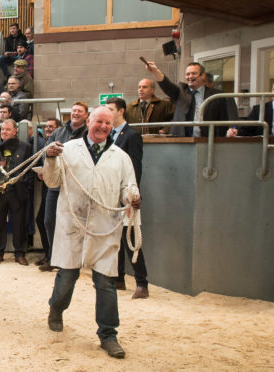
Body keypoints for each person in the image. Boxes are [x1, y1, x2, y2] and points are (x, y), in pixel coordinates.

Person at [43, 106, 141, 359]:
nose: (103, 127)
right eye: (99, 122)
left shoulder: (120, 156)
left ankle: (108, 335)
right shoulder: (68, 149)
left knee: (105, 282)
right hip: (73, 224)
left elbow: (127, 185)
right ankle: (56, 308)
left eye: (108, 123)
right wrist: (50, 159)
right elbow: (52, 182)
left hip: (104, 227)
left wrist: (131, 196)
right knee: (67, 276)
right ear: (89, 122)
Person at [105, 97, 148, 299]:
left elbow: (135, 168)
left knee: (130, 237)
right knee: (115, 238)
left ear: (121, 111)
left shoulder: (131, 136)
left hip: (126, 193)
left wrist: (133, 194)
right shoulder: (107, 135)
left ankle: (142, 283)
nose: (107, 113)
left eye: (110, 109)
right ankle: (118, 278)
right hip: (109, 193)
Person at [43, 101, 89, 274]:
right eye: (74, 110)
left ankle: (76, 260)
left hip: (76, 186)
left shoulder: (87, 134)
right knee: (49, 221)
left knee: (76, 223)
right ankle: (54, 258)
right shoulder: (58, 132)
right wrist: (46, 163)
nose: (75, 113)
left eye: (80, 111)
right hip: (55, 186)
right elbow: (45, 152)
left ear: (86, 115)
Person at [146, 61, 238, 137]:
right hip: (181, 141)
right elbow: (166, 84)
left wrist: (231, 129)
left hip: (207, 142)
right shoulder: (180, 92)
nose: (190, 77)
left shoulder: (216, 96)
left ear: (202, 76)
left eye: (194, 73)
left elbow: (228, 118)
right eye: (187, 74)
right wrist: (155, 70)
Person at [0, 119, 33, 266]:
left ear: (15, 131)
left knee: (19, 224)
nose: (4, 132)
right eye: (2, 129)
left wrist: (22, 182)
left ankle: (20, 253)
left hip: (18, 192)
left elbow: (29, 169)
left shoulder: (25, 147)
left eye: (7, 130)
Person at [35, 117, 61, 271]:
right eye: (46, 126)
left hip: (58, 188)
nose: (48, 129)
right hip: (47, 188)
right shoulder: (46, 142)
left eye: (51, 126)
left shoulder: (57, 143)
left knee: (52, 223)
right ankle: (49, 255)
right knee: (43, 221)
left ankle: (54, 257)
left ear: (57, 128)